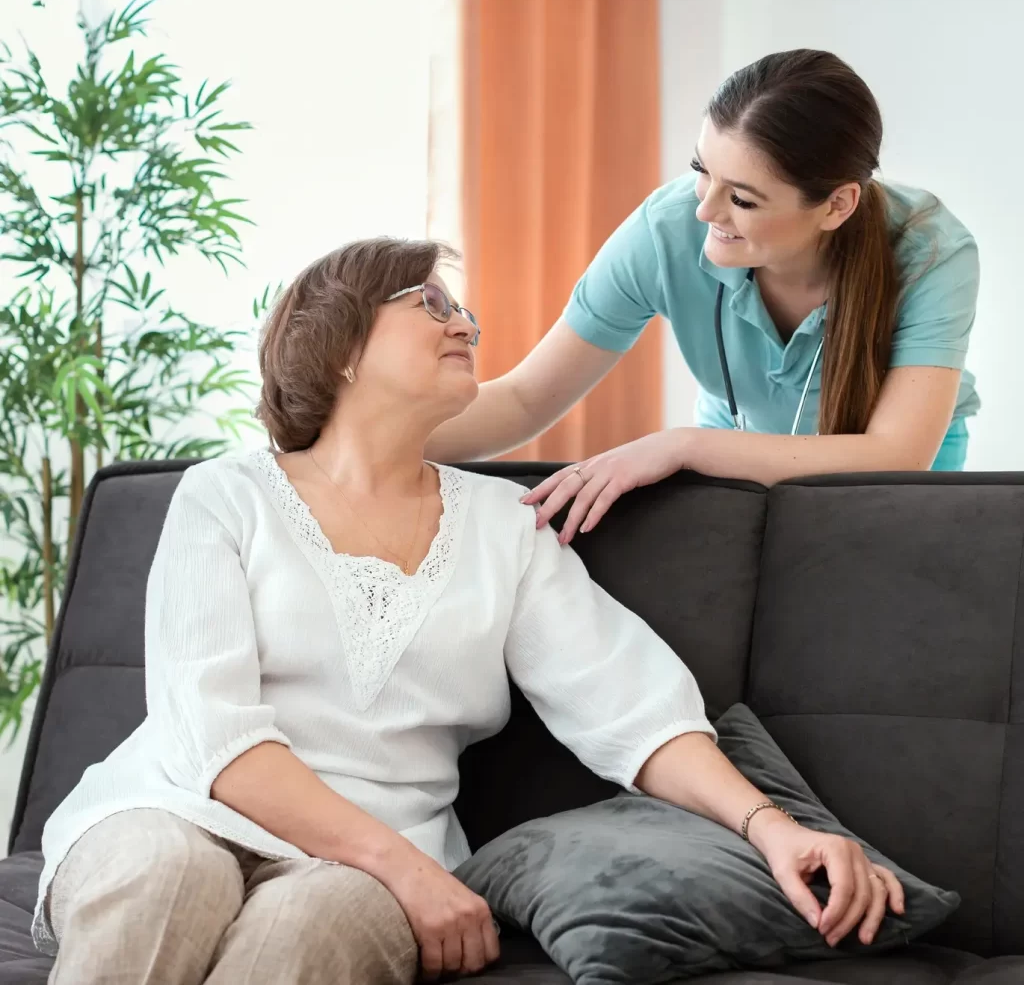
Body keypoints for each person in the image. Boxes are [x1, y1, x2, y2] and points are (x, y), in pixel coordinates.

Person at [34, 239, 905, 985]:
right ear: (338, 343)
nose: (467, 324)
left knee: (304, 931)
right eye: (431, 302)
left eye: (465, 310)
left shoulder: (504, 526)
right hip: (179, 810)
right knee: (165, 873)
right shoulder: (225, 496)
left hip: (370, 863)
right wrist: (405, 870)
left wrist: (775, 828)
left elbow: (631, 709)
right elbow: (213, 737)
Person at [425, 49, 981, 546]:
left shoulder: (931, 253)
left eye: (741, 197)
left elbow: (896, 454)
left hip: (888, 460)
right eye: (701, 171)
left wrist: (685, 446)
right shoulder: (665, 231)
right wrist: (364, 438)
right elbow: (526, 398)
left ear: (837, 205)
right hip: (736, 441)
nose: (705, 211)